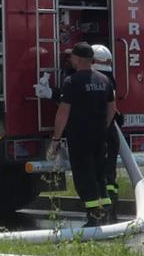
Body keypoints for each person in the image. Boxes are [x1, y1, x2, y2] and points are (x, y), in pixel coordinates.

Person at [49, 42, 116, 227]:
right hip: (99, 136)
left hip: (80, 137)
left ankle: (94, 216)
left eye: (71, 57)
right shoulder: (104, 80)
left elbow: (63, 113)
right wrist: (103, 127)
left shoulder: (71, 82)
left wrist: (56, 139)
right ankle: (106, 213)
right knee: (98, 174)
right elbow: (112, 109)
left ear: (77, 59)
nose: (70, 59)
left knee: (84, 176)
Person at [91, 43, 122, 205]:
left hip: (98, 128)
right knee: (110, 161)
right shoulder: (110, 80)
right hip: (111, 128)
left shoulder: (92, 78)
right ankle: (111, 194)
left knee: (96, 162)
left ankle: (101, 197)